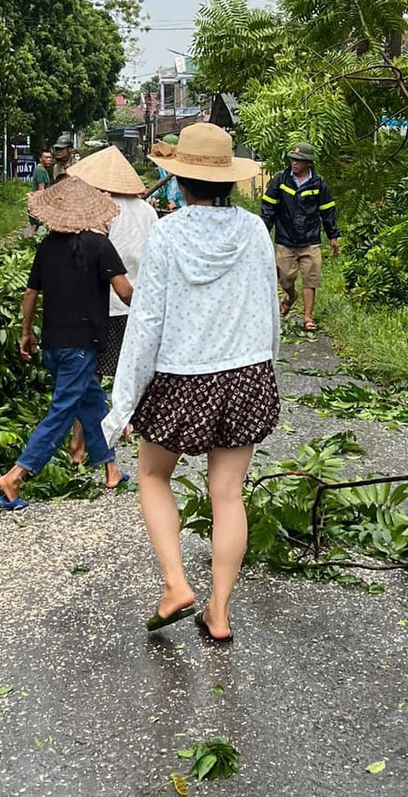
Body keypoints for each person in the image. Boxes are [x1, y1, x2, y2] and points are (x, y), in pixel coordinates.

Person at [104, 122, 279, 644]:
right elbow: (268, 306)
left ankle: (176, 585)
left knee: (153, 476)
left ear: (180, 182)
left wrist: (121, 406)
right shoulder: (253, 231)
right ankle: (219, 614)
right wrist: (270, 369)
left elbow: (147, 324)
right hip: (246, 374)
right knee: (228, 495)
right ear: (228, 180)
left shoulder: (168, 233)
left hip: (181, 378)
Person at [0, 175, 132, 508]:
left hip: (54, 345)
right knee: (61, 413)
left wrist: (26, 333)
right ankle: (14, 477)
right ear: (90, 212)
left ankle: (111, 469)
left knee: (92, 402)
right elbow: (124, 291)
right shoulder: (100, 245)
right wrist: (154, 313)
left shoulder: (47, 246)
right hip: (82, 346)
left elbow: (30, 294)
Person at [66, 141, 157, 399]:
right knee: (131, 369)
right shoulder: (148, 211)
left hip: (103, 303)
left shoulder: (101, 211)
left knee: (93, 370)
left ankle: (86, 430)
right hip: (136, 300)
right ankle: (126, 418)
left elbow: (88, 257)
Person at [261, 143, 339, 333]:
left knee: (310, 279)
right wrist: (262, 232)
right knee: (285, 278)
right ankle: (291, 296)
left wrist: (333, 236)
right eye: (292, 159)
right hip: (286, 239)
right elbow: (268, 208)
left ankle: (307, 317)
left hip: (310, 240)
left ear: (308, 163)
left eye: (299, 160)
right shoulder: (281, 179)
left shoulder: (318, 183)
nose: (294, 163)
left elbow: (327, 211)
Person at [152, 135, 182, 213]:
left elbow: (175, 186)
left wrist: (173, 201)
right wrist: (153, 196)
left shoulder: (181, 169)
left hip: (181, 206)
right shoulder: (163, 168)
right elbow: (161, 184)